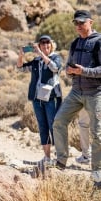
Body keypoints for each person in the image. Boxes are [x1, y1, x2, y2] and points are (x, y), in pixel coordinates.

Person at [52, 10, 101, 187]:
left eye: (82, 22)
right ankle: (61, 161)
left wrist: (84, 71)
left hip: (95, 93)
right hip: (76, 92)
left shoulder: (98, 42)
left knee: (97, 134)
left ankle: (97, 174)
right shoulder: (75, 43)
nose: (78, 26)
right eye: (76, 23)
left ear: (91, 22)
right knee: (58, 121)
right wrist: (70, 71)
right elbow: (67, 67)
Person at [17, 35, 62, 162]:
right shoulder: (36, 61)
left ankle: (59, 157)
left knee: (54, 126)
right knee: (43, 127)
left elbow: (55, 68)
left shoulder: (56, 57)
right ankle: (47, 157)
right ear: (39, 45)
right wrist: (21, 55)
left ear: (51, 45)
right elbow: (21, 68)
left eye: (47, 43)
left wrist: (42, 54)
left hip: (51, 98)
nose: (45, 45)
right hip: (37, 99)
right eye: (42, 43)